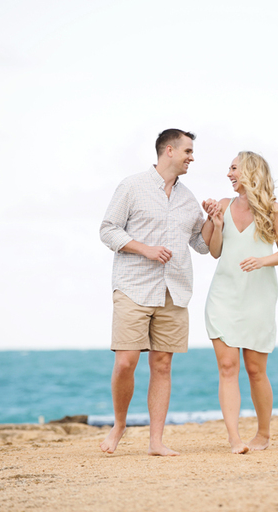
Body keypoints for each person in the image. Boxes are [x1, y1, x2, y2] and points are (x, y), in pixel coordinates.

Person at [99, 129, 212, 456]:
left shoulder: (188, 199)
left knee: (162, 364)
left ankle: (156, 442)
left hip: (174, 290)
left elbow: (202, 245)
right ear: (169, 150)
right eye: (188, 151)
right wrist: (145, 249)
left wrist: (214, 220)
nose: (192, 157)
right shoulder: (132, 186)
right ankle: (119, 425)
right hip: (133, 286)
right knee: (126, 363)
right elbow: (107, 230)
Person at [202, 151, 278, 454]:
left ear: (250, 172)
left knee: (255, 369)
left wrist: (262, 260)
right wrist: (216, 223)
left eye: (234, 168)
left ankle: (263, 434)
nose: (229, 174)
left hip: (258, 297)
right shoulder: (223, 205)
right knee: (228, 367)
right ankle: (234, 439)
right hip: (223, 296)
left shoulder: (274, 210)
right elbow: (215, 251)